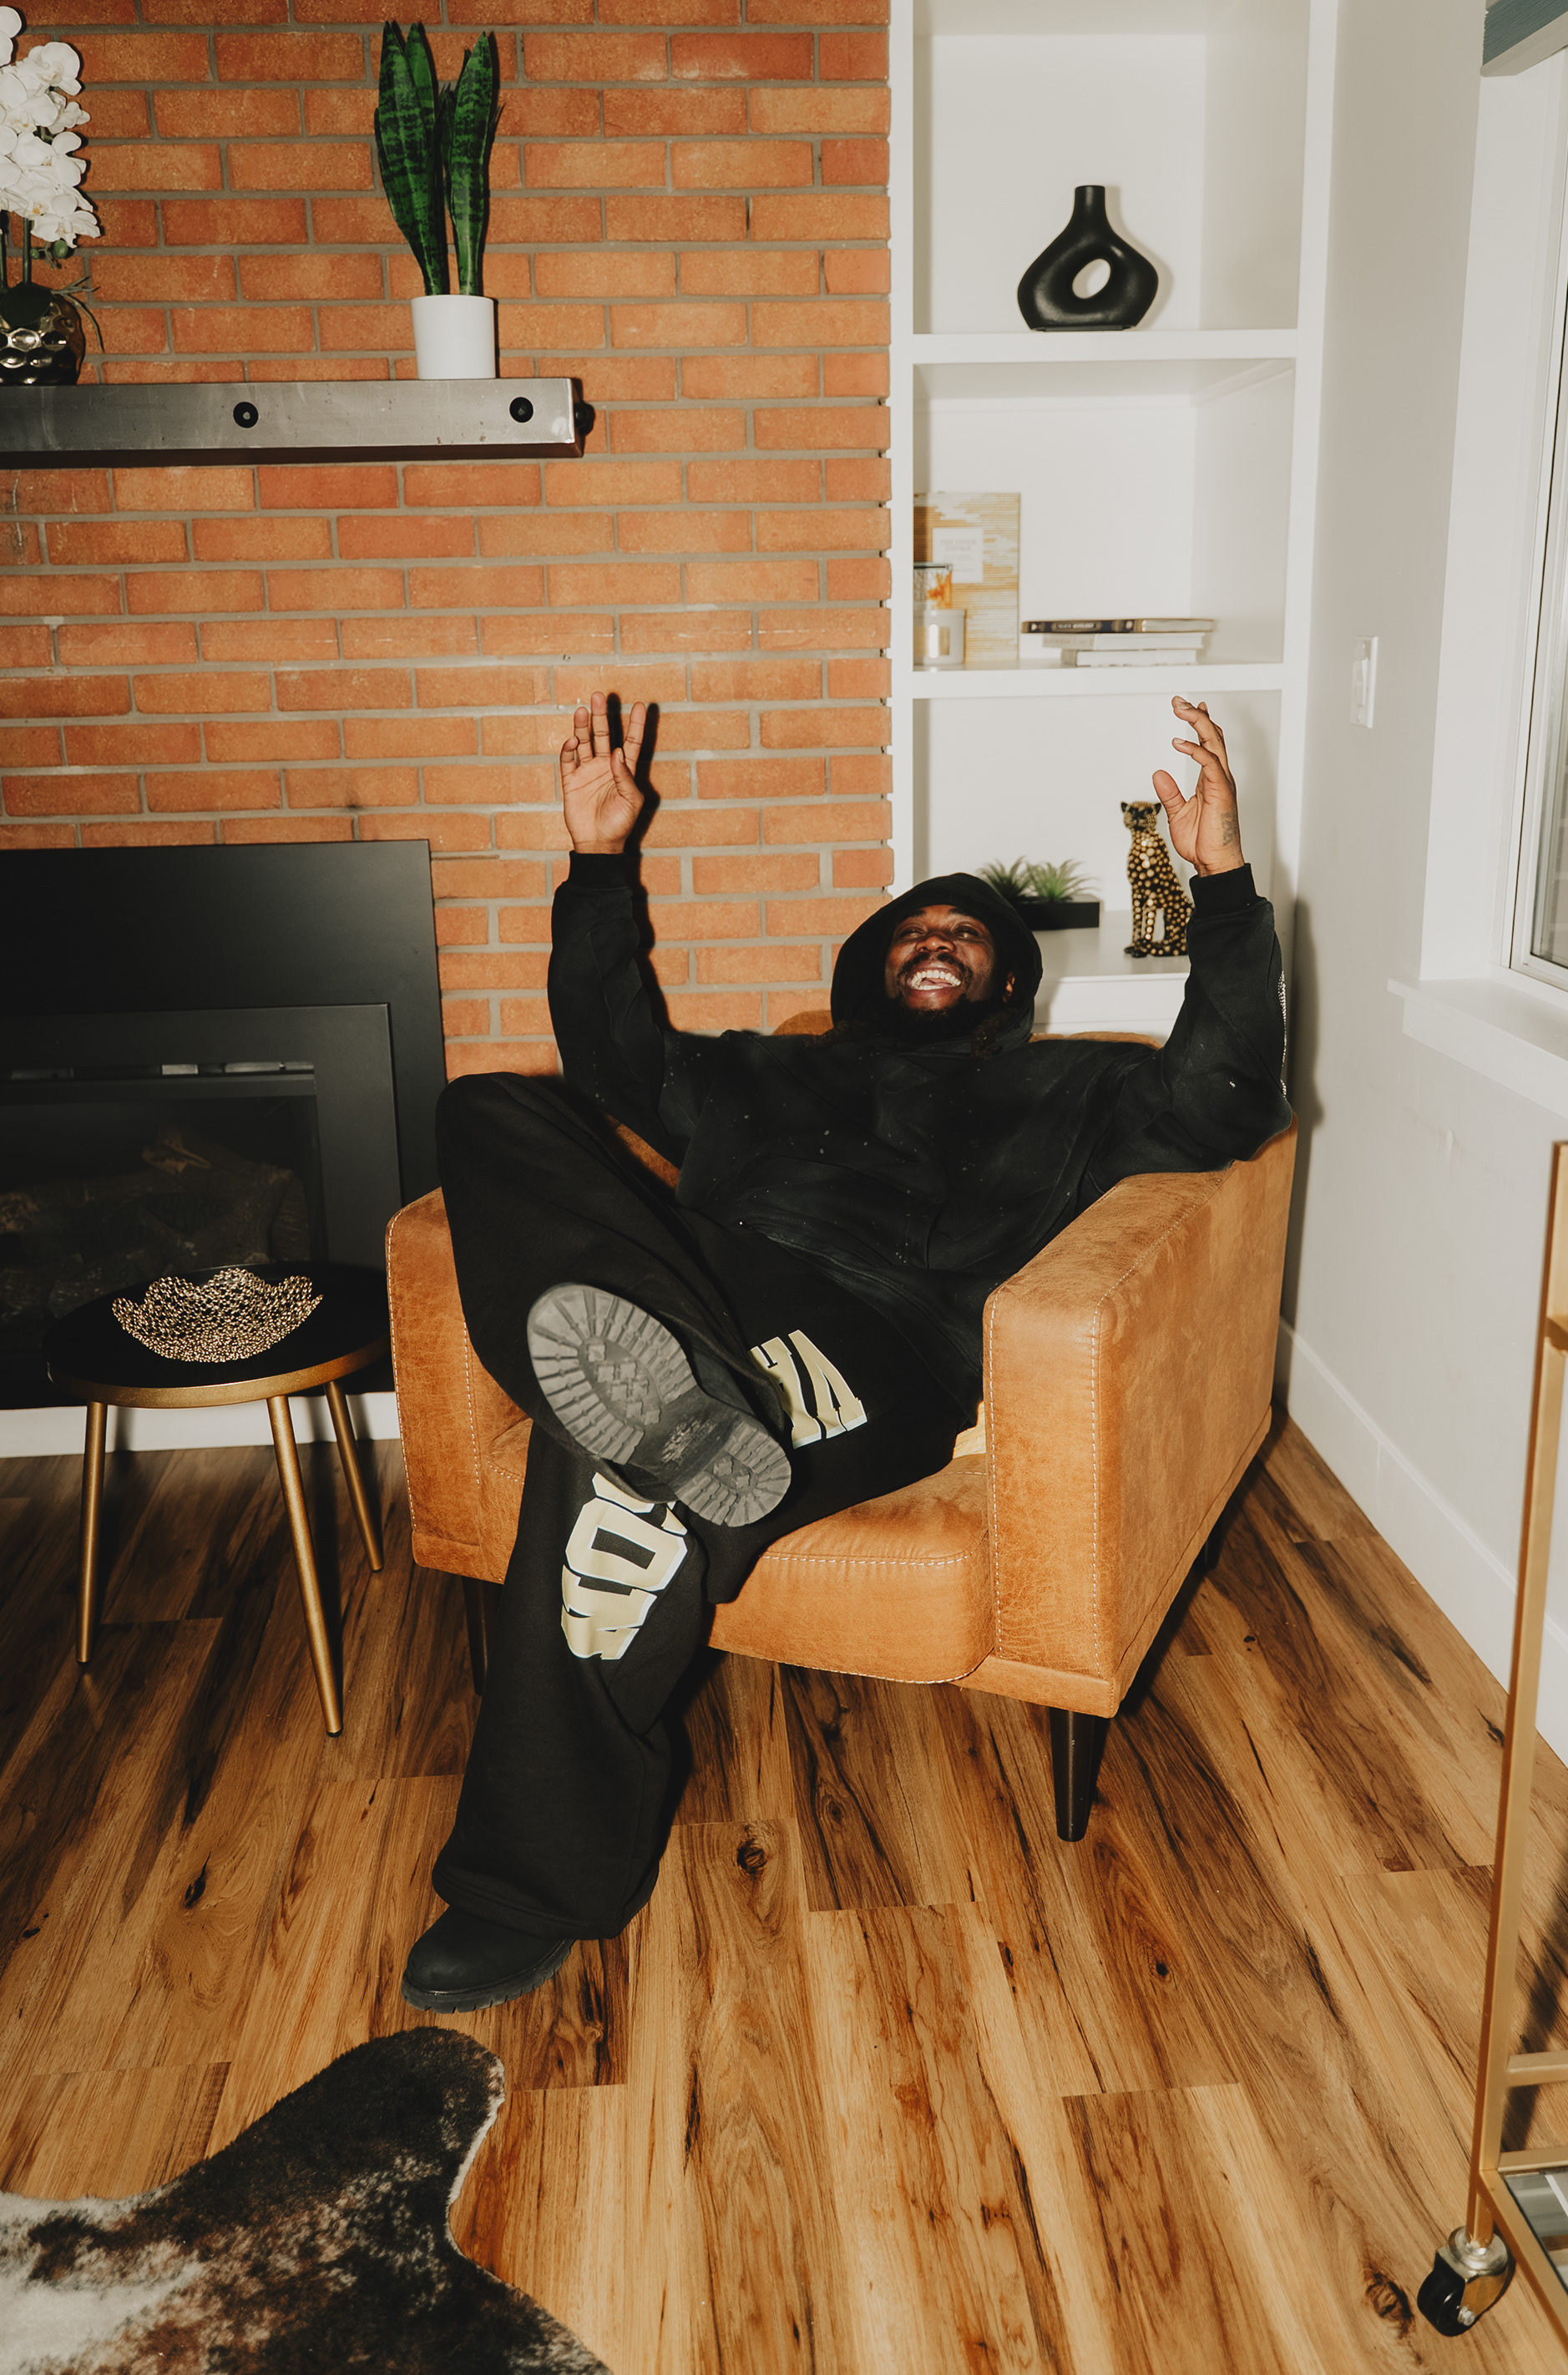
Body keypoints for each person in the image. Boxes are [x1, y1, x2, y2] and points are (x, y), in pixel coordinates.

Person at [400, 691, 1291, 2013]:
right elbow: (609, 1053)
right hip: (697, 1292)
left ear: (1008, 982)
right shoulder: (760, 1072)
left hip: (879, 1343)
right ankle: (684, 1395)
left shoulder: (1075, 1089)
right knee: (487, 1108)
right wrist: (599, 861)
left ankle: (529, 1886)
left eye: (967, 936)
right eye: (914, 932)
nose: (938, 943)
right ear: (869, 970)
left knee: (614, 1465)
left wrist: (1221, 885)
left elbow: (1230, 1097)